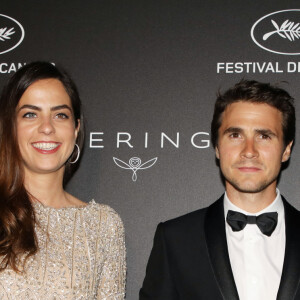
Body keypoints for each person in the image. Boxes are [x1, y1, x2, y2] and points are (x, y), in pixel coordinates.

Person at [139, 80, 300, 300]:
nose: (249, 151)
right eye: (235, 135)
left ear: (286, 150)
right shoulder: (175, 240)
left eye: (264, 136)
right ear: (217, 146)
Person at [0, 62, 126, 299]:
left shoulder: (104, 226)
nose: (46, 127)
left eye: (60, 115)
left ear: (76, 128)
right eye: (30, 114)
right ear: (10, 126)